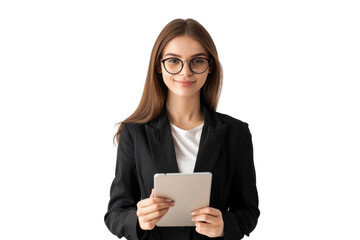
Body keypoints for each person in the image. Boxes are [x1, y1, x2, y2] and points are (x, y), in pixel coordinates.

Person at [104, 18, 260, 240]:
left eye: (196, 61)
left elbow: (248, 211)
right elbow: (115, 214)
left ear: (210, 67)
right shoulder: (134, 133)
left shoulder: (236, 133)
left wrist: (224, 226)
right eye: (173, 61)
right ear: (159, 66)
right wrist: (138, 220)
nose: (185, 72)